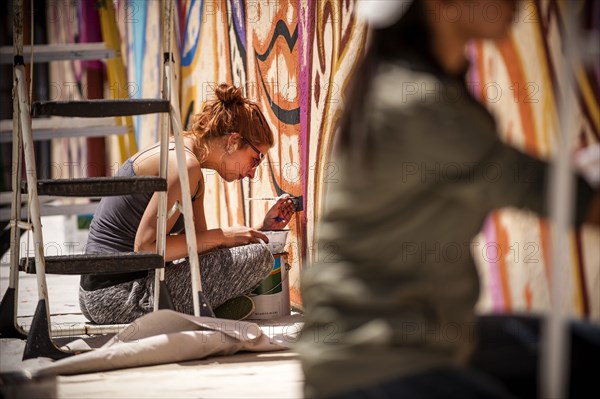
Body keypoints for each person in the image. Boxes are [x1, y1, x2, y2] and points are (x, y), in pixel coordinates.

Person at [296, 0, 599, 398]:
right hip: (377, 365)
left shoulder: (403, 90)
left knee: (579, 349)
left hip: (391, 347)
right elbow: (557, 195)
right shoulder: (420, 104)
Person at [79, 83, 296, 324]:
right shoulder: (184, 165)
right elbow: (146, 248)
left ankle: (211, 307)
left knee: (252, 251)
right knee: (261, 257)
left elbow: (201, 246)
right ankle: (211, 308)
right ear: (233, 141)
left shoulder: (187, 160)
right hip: (121, 297)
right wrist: (224, 235)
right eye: (255, 159)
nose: (252, 173)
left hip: (100, 293)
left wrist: (260, 229)